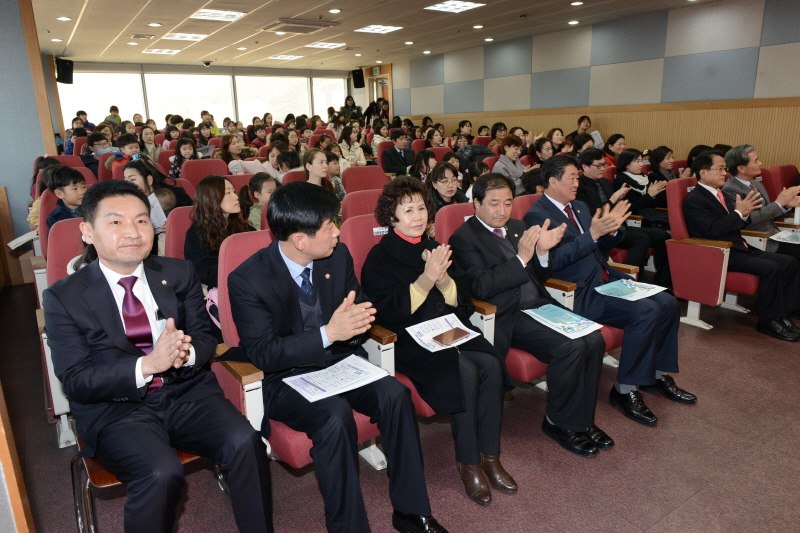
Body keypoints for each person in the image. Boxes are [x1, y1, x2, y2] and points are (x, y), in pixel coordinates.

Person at [43, 180, 273, 533]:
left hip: (187, 393)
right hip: (117, 410)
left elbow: (206, 337)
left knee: (246, 441)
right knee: (161, 470)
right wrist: (147, 365)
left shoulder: (178, 273)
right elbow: (75, 379)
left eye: (141, 220)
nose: (132, 232)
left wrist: (188, 353)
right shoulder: (64, 297)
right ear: (87, 232)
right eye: (116, 222)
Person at [228, 181, 448, 533]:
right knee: (334, 416)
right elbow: (264, 353)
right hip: (285, 377)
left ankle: (411, 510)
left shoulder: (338, 254)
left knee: (395, 395)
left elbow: (358, 306)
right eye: (329, 225)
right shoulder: (247, 279)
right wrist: (329, 333)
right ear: (300, 240)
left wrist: (359, 319)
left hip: (340, 362)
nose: (336, 231)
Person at [361, 177, 514, 506]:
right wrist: (426, 279)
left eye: (420, 208)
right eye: (407, 210)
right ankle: (468, 461)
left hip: (445, 329)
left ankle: (490, 455)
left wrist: (444, 283)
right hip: (407, 341)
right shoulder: (380, 257)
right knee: (465, 371)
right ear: (391, 216)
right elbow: (386, 313)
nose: (417, 216)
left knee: (489, 363)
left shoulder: (434, 247)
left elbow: (462, 302)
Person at [525, 155, 697, 426]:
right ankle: (625, 390)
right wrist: (592, 235)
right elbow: (552, 264)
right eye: (572, 177)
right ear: (552, 181)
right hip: (578, 291)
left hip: (606, 279)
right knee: (647, 311)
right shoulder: (537, 215)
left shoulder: (580, 206)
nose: (576, 181)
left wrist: (612, 230)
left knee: (668, 302)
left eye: (577, 177)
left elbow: (599, 247)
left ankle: (658, 374)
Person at [450, 172, 610, 457]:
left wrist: (543, 253)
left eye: (508, 203)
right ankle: (559, 423)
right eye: (494, 203)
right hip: (508, 314)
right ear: (476, 204)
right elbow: (480, 287)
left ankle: (582, 420)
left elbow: (538, 275)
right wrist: (523, 257)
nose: (502, 211)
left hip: (539, 304)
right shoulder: (464, 238)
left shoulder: (516, 226)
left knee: (593, 339)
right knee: (569, 347)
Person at [684, 152, 800, 341]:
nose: (725, 173)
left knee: (789, 262)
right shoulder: (695, 199)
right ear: (703, 172)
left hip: (740, 247)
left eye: (724, 168)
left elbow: (737, 222)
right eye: (720, 169)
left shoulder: (719, 193)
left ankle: (783, 314)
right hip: (720, 252)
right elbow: (712, 230)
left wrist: (742, 214)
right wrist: (739, 213)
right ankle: (768, 321)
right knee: (771, 268)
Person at [577, 149, 671, 287]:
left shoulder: (605, 182)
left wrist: (620, 201)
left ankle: (663, 283)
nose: (603, 168)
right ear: (585, 166)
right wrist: (612, 200)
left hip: (618, 226)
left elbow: (619, 208)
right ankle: (628, 282)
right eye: (598, 166)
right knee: (641, 239)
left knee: (662, 236)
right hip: (601, 232)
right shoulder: (579, 186)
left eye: (604, 164)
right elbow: (590, 213)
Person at [722, 144, 800, 261]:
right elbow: (748, 221)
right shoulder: (731, 190)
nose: (760, 163)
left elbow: (768, 214)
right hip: (759, 239)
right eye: (756, 161)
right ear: (741, 168)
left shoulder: (757, 184)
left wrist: (785, 206)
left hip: (775, 234)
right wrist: (778, 203)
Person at [185, 176, 252, 292]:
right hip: (220, 289)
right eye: (228, 193)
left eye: (234, 192)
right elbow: (208, 274)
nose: (236, 197)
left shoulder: (242, 226)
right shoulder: (196, 234)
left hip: (247, 283)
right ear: (211, 199)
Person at [613, 149, 669, 229]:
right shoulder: (621, 182)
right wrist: (649, 195)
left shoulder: (644, 178)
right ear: (626, 164)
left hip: (651, 214)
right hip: (638, 219)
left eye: (641, 161)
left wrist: (656, 195)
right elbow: (630, 207)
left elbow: (654, 205)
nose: (641, 164)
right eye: (637, 161)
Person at [45, 166, 86, 233]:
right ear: (59, 194)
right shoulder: (54, 218)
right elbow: (55, 241)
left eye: (83, 187)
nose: (82, 192)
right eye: (75, 189)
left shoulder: (94, 209)